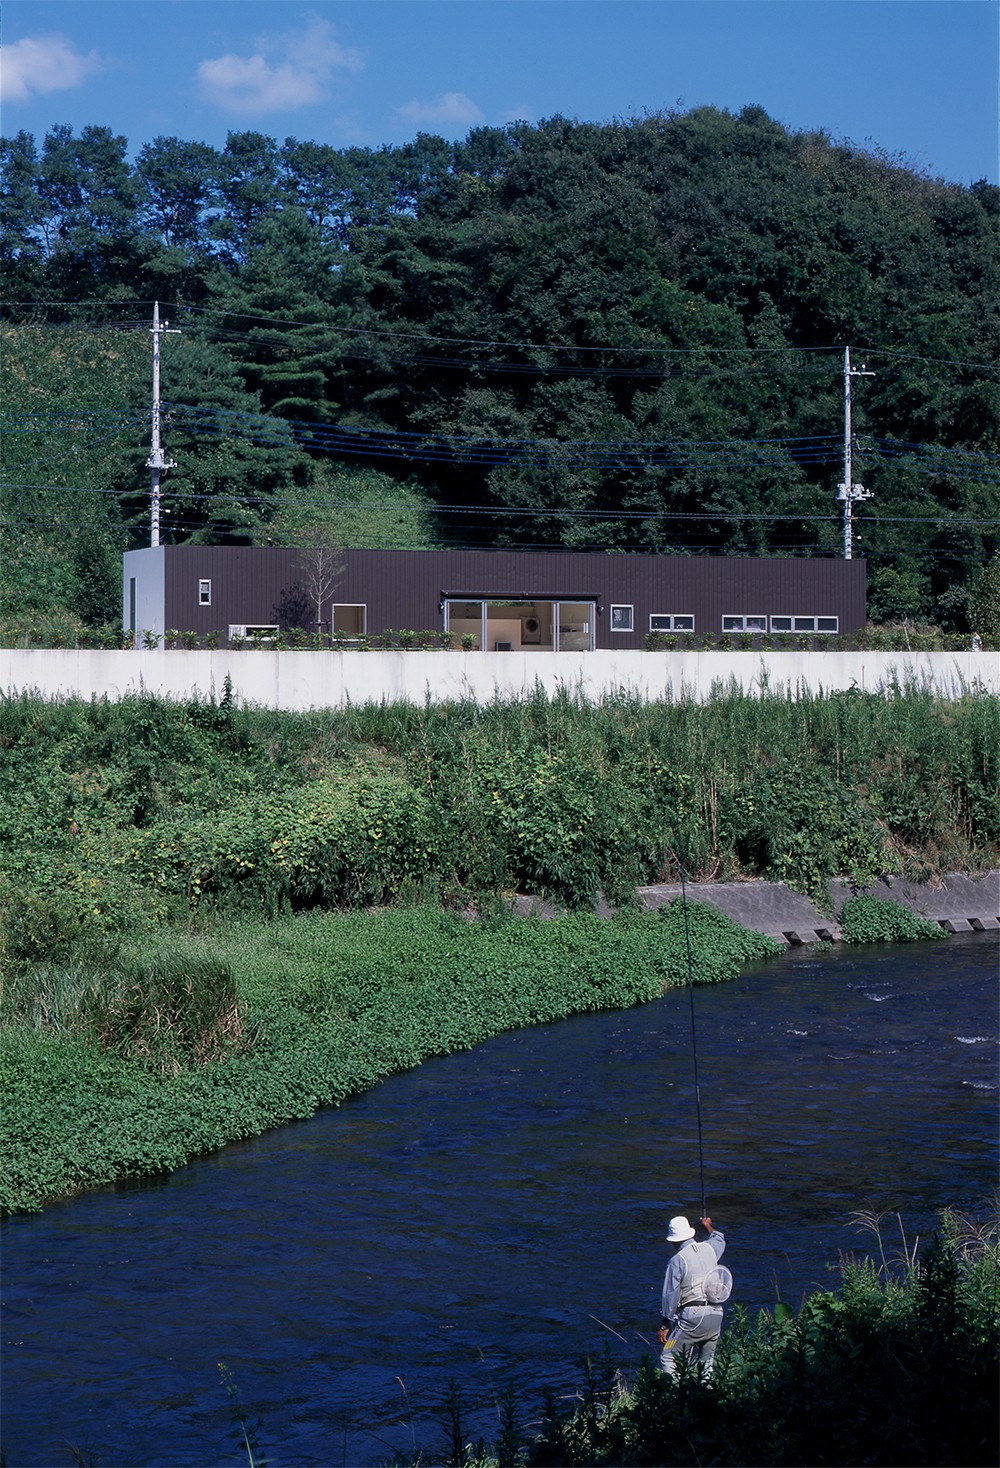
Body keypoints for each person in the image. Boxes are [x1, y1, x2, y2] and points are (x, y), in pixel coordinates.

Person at [657, 1214, 727, 1379]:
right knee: (706, 1365)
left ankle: (675, 1399)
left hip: (693, 1319)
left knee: (668, 1356)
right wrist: (708, 1225)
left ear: (674, 1241)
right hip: (716, 1314)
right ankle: (706, 1397)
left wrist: (664, 1325)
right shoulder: (710, 1248)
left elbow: (670, 1295)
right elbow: (719, 1238)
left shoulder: (677, 1260)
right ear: (691, 1234)